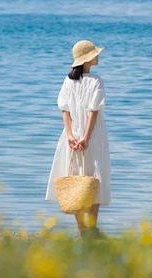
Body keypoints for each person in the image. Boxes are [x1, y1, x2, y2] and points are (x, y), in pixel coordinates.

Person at [46, 40, 111, 238]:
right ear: (87, 59)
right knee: (94, 179)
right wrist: (86, 137)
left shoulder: (68, 81)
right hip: (93, 135)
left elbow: (65, 110)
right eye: (94, 54)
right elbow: (93, 112)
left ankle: (82, 229)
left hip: (71, 135)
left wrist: (70, 135)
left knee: (76, 176)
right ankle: (91, 229)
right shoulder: (96, 81)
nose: (98, 56)